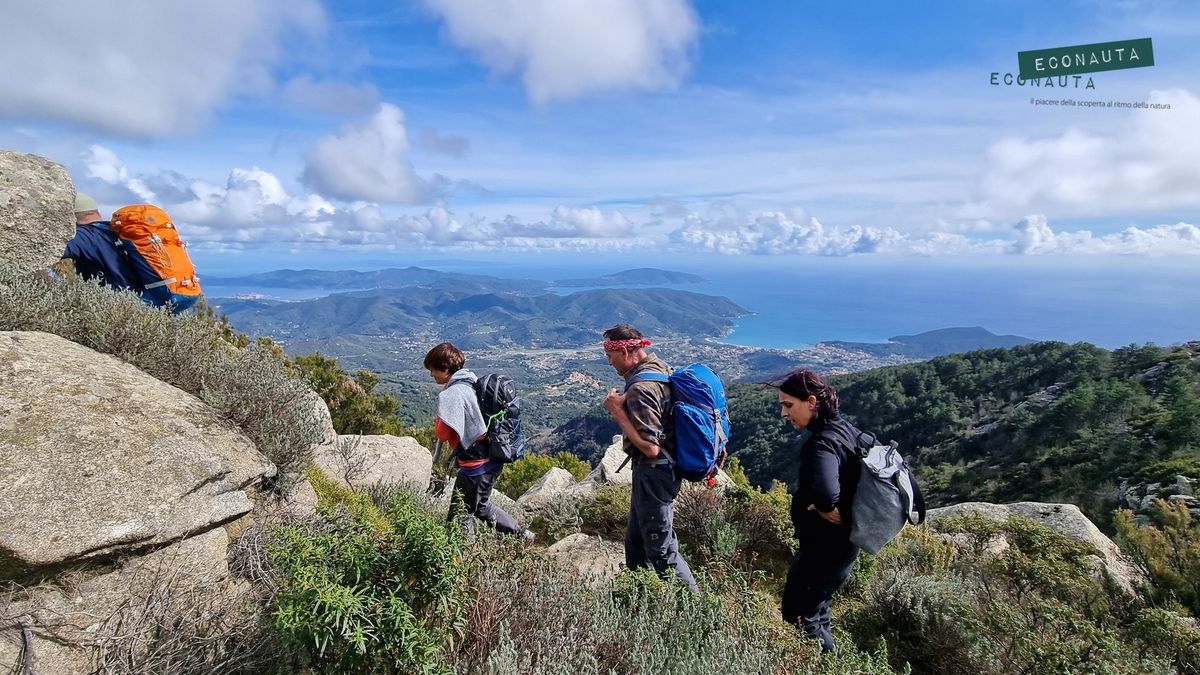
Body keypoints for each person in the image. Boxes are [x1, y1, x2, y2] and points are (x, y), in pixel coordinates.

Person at [601, 324, 698, 591]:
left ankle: (697, 611)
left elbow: (651, 447)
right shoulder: (658, 367)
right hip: (660, 469)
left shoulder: (642, 388)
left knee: (661, 549)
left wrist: (617, 412)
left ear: (624, 350)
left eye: (610, 354)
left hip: (656, 471)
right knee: (636, 539)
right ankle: (637, 594)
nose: (609, 361)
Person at [773, 368, 863, 653]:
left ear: (811, 402)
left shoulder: (822, 442)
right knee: (817, 612)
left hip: (825, 546)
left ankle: (821, 664)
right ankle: (831, 661)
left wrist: (823, 507)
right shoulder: (844, 428)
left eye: (789, 405)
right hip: (842, 545)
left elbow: (827, 493)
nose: (784, 414)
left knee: (800, 615)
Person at [424, 342, 533, 541]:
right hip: (493, 458)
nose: (431, 374)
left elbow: (443, 433)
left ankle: (463, 561)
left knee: (459, 517)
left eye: (432, 369)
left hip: (475, 466)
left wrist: (439, 418)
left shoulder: (452, 394)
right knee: (481, 507)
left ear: (445, 369)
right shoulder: (472, 381)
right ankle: (524, 535)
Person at [61, 192, 142, 296]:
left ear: (71, 218)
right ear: (97, 213)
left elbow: (48, 251)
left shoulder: (83, 237)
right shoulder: (114, 230)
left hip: (114, 304)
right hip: (143, 300)